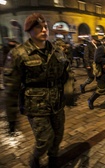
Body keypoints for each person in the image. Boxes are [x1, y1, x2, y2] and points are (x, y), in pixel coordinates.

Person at [3, 13, 70, 167]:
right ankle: (35, 160)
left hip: (57, 103)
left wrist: (69, 89)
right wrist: (11, 119)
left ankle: (53, 159)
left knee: (58, 136)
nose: (44, 30)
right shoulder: (18, 54)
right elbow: (11, 89)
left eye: (45, 26)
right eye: (39, 27)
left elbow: (67, 70)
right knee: (44, 139)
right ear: (29, 31)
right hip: (36, 105)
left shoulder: (56, 50)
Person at [2, 39, 20, 134]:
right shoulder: (14, 54)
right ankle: (12, 125)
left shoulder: (10, 52)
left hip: (12, 83)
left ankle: (12, 124)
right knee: (11, 103)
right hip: (13, 83)